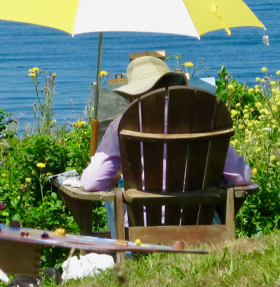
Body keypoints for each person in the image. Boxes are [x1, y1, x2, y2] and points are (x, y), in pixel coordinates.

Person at [79, 54, 251, 193]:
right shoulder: (203, 120)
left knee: (113, 199)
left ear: (132, 95)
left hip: (140, 224)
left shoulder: (122, 125)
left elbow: (93, 182)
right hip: (200, 222)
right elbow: (241, 177)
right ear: (173, 85)